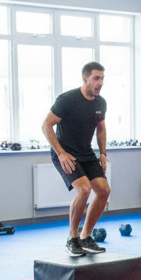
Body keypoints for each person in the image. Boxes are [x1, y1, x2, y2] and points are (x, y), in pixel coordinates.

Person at [41, 62, 109, 257]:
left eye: (102, 79)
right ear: (85, 77)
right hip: (66, 154)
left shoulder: (100, 103)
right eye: (96, 78)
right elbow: (46, 125)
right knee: (84, 189)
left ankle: (86, 236)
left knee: (104, 191)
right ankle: (72, 238)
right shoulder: (67, 100)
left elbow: (101, 128)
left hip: (86, 153)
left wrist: (103, 153)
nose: (100, 83)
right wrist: (61, 153)